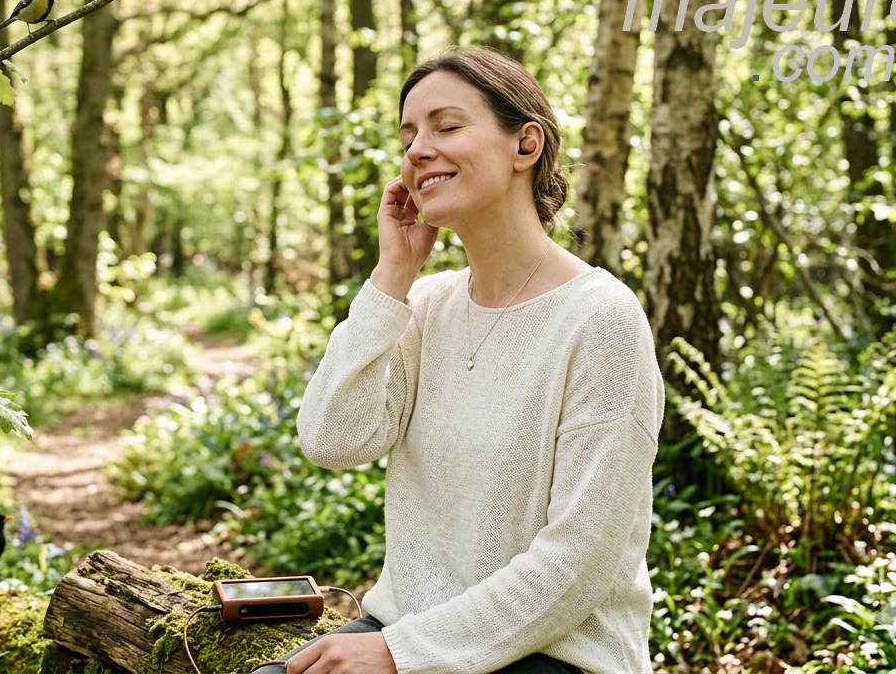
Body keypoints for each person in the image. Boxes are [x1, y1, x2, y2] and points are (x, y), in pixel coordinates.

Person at [252, 48, 663, 674]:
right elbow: (330, 439)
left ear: (525, 144)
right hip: (411, 626)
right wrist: (393, 274)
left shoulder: (601, 318)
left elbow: (579, 562)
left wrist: (400, 653)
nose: (418, 149)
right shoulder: (425, 304)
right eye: (409, 134)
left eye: (446, 127)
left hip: (553, 654)